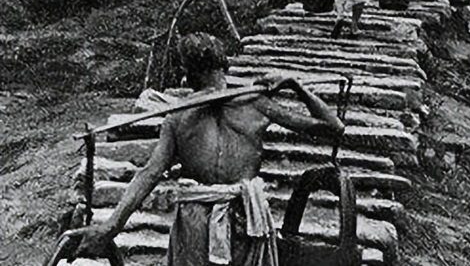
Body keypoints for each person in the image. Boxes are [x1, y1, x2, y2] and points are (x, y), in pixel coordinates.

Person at [65, 33, 344, 266]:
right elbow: (334, 127)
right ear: (225, 65)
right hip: (243, 219)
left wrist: (112, 225)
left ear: (187, 73)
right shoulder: (255, 103)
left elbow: (149, 173)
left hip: (202, 220)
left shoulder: (179, 117)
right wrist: (296, 86)